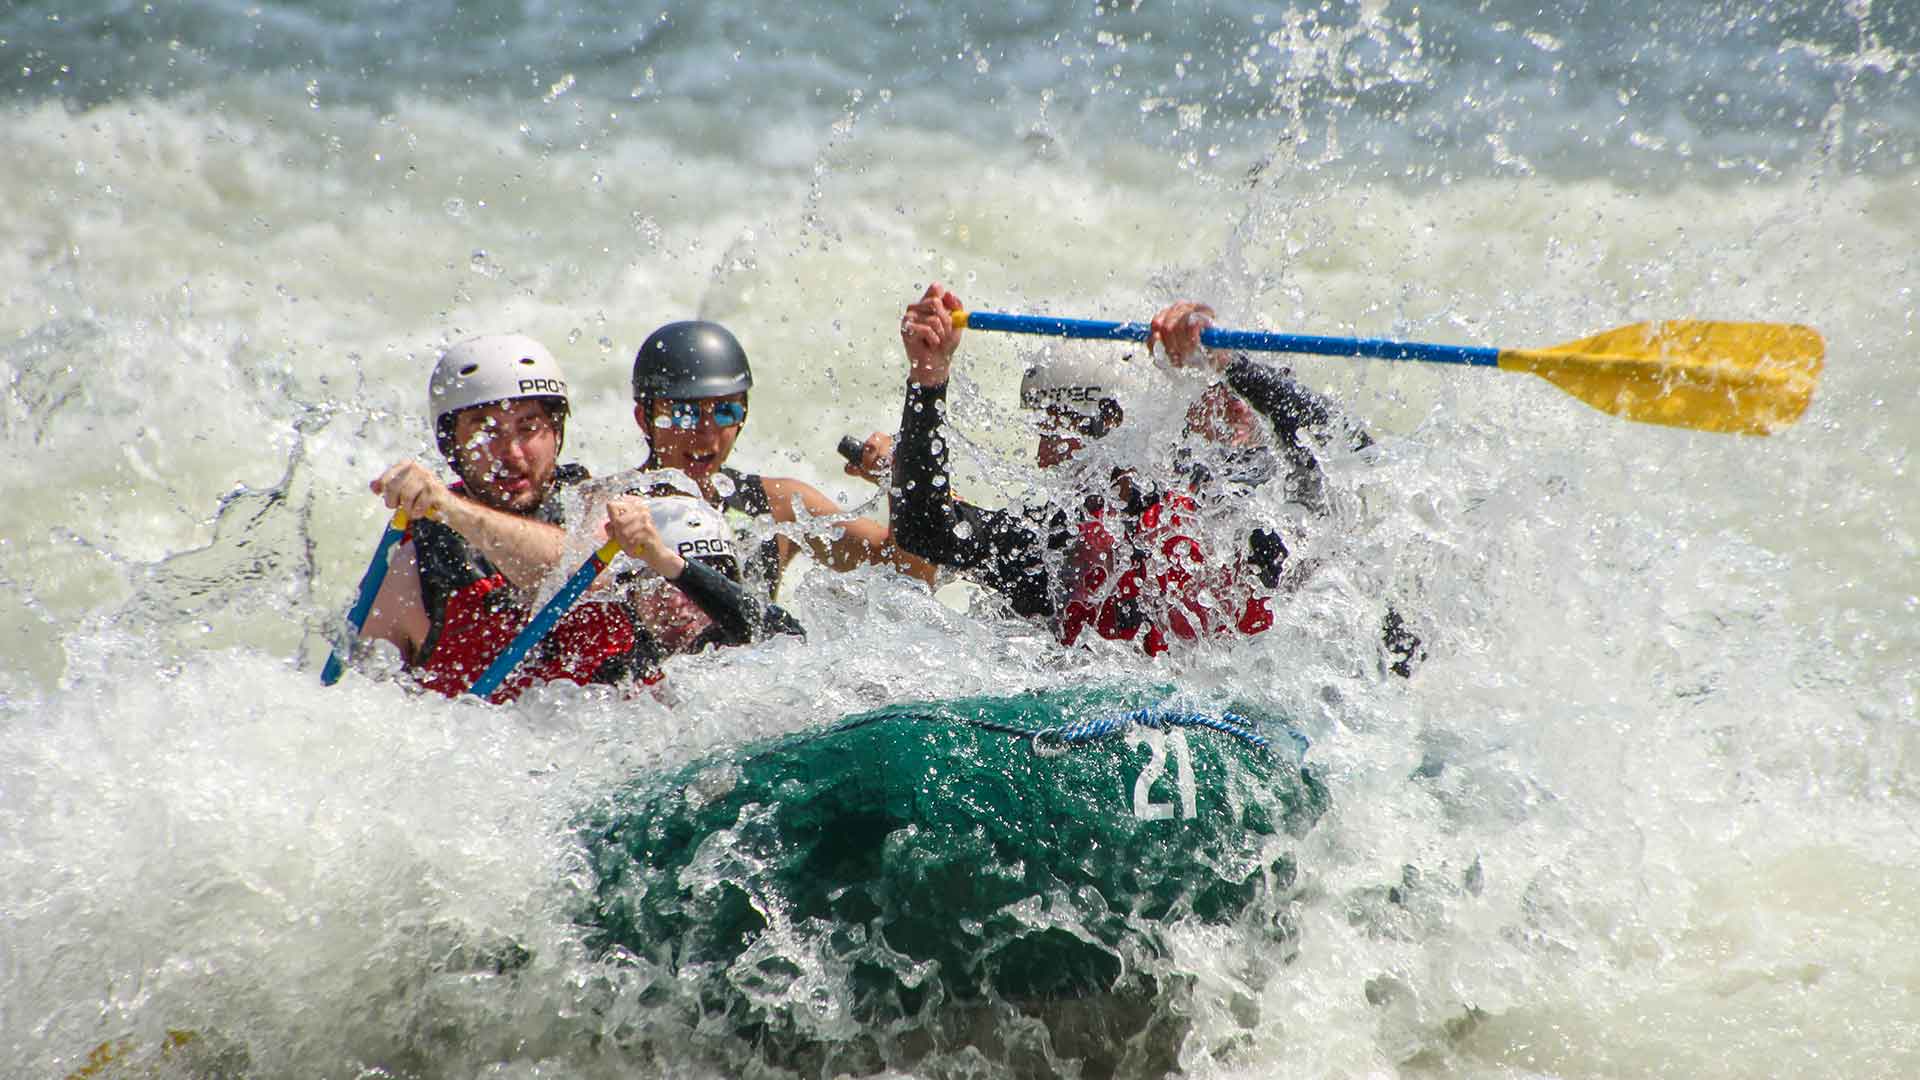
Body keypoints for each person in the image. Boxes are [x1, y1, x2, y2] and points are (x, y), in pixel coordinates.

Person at [884, 283, 1422, 673]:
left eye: (1061, 428)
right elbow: (925, 528)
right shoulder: (1057, 545)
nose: (1044, 453)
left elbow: (1339, 457)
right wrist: (928, 381)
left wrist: (1228, 362)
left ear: (1115, 425)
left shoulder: (1229, 506)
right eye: (1041, 429)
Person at [356, 333, 660, 699]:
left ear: (556, 432)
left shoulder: (602, 511)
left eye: (529, 428)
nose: (511, 453)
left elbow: (571, 568)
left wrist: (451, 509)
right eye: (486, 430)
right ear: (452, 444)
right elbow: (360, 706)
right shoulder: (412, 568)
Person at [628, 320, 935, 600]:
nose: (707, 434)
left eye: (725, 412)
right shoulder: (603, 510)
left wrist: (902, 478)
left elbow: (911, 574)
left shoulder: (780, 507)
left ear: (743, 417)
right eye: (685, 414)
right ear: (645, 418)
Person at [602, 484, 806, 684]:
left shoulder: (755, 652)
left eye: (684, 582)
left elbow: (783, 631)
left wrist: (669, 563)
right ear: (631, 595)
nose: (674, 602)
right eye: (654, 582)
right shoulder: (620, 674)